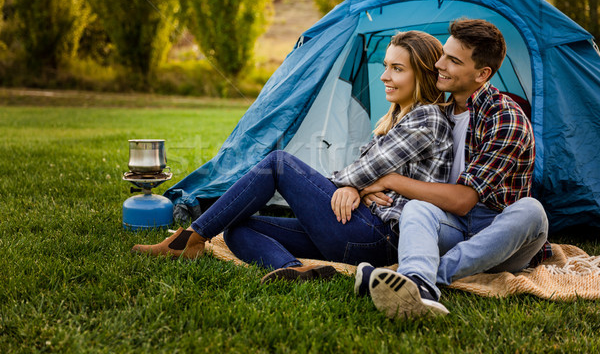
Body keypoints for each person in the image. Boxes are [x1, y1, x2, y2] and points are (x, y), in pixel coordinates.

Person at [131, 30, 453, 283]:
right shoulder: (398, 117)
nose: (384, 76)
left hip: (378, 235)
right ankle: (293, 270)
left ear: (422, 74)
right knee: (236, 229)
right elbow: (363, 174)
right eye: (385, 66)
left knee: (279, 163)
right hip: (359, 231)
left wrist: (360, 185)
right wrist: (361, 186)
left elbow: (360, 172)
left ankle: (187, 239)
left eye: (397, 69)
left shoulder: (427, 118)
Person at [353, 19, 550, 319]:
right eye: (443, 54)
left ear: (482, 74)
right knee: (417, 209)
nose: (438, 64)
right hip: (454, 226)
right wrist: (368, 190)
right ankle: (419, 283)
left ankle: (421, 279)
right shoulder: (437, 113)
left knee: (532, 211)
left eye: (453, 61)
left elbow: (463, 200)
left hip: (500, 235)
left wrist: (388, 180)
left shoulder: (505, 117)